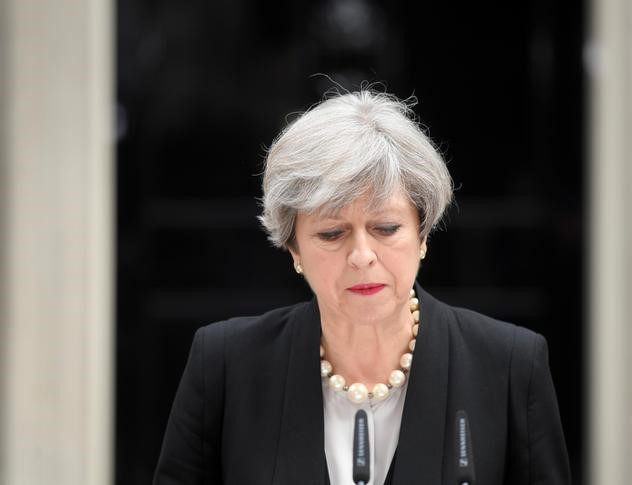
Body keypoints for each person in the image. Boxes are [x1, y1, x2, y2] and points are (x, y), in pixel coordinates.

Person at [154, 89, 571, 485]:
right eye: (332, 233)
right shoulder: (225, 365)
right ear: (293, 247)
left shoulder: (511, 365)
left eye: (386, 228)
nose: (362, 255)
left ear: (423, 235)